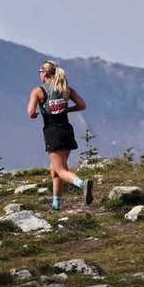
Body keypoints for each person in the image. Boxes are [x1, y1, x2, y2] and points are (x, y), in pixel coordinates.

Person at [27, 60, 92, 210]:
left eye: (39, 72)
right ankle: (55, 206)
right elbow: (82, 105)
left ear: (44, 73)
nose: (39, 75)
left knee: (61, 171)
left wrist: (33, 114)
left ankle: (82, 184)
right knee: (54, 170)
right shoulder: (66, 89)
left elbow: (30, 111)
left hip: (52, 132)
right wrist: (67, 110)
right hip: (67, 130)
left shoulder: (38, 91)